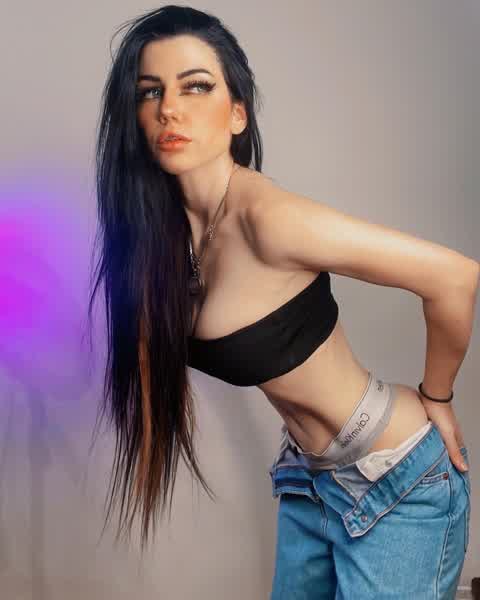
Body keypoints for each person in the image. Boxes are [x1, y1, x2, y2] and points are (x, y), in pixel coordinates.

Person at [87, 4, 478, 597]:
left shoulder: (268, 218)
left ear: (237, 113)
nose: (169, 108)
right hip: (307, 479)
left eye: (196, 86)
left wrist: (438, 395)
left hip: (395, 479)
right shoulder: (164, 239)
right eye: (150, 91)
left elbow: (455, 277)